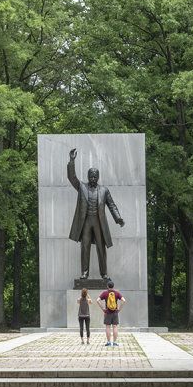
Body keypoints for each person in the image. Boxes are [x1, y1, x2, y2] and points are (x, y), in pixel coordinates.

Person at [67, 148, 125, 279]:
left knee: (101, 247)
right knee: (85, 247)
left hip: (99, 222)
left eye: (95, 176)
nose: (93, 178)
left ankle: (104, 274)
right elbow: (72, 178)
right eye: (91, 176)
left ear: (98, 177)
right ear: (88, 177)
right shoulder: (82, 187)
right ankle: (84, 273)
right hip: (86, 221)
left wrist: (118, 218)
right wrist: (72, 161)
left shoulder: (104, 190)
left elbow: (112, 205)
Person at [97, 280, 125, 346]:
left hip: (108, 312)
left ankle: (109, 342)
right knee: (115, 326)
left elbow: (97, 300)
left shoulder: (105, 293)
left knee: (108, 327)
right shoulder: (117, 293)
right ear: (113, 286)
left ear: (107, 286)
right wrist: (119, 309)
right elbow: (124, 300)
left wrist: (103, 309)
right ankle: (115, 342)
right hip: (115, 312)